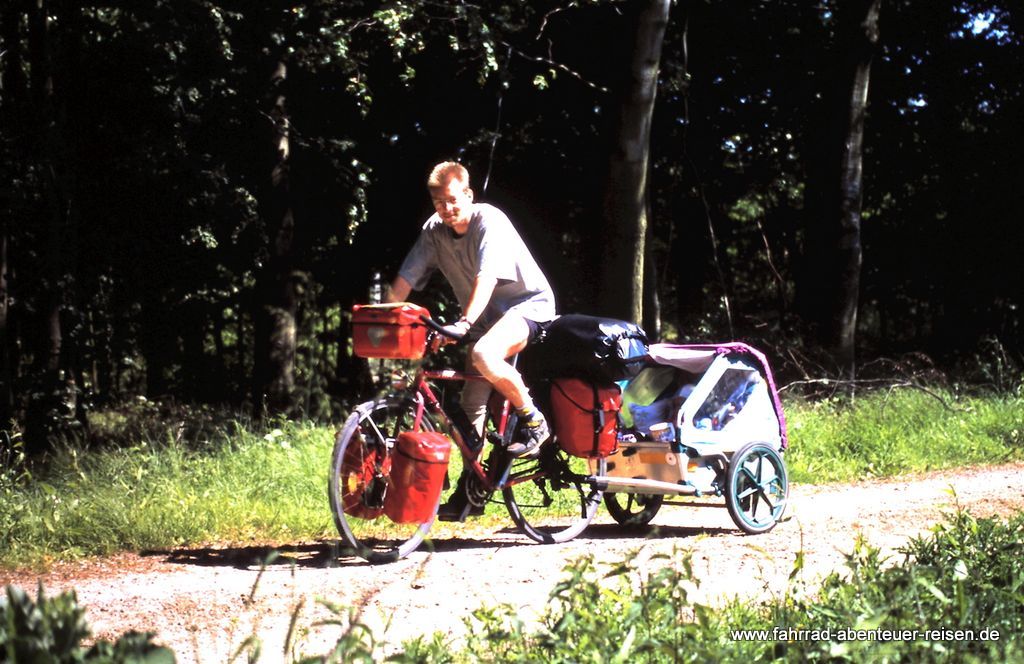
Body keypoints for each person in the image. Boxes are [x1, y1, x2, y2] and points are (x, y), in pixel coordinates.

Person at [386, 161, 556, 517]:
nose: (446, 210)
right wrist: (386, 318)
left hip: (528, 305)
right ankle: (471, 490)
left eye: (452, 201)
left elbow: (487, 277)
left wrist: (463, 322)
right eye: (439, 203)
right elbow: (405, 279)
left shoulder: (488, 221)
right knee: (470, 406)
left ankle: (535, 422)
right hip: (482, 318)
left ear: (468, 194)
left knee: (483, 354)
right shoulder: (434, 231)